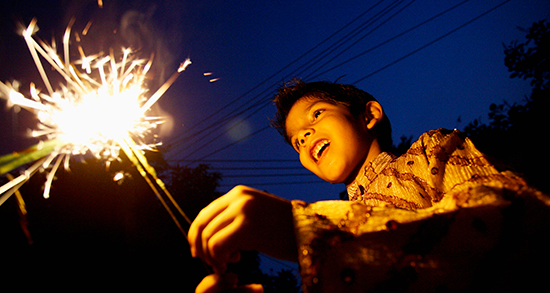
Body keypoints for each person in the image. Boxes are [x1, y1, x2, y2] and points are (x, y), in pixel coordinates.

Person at [188, 79, 550, 293]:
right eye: (297, 141)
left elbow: (514, 218)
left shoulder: (431, 152)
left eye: (316, 115)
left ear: (369, 114)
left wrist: (298, 228)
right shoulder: (327, 237)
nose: (306, 135)